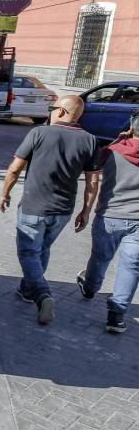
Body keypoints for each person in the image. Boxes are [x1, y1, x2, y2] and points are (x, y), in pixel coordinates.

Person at [0, 95, 100, 325]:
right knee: (42, 248)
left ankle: (42, 295)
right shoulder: (91, 140)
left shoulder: (38, 133)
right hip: (63, 209)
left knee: (28, 252)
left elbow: (15, 169)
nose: (51, 112)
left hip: (34, 205)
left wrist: (5, 193)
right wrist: (85, 211)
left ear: (62, 112)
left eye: (53, 108)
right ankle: (27, 289)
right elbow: (93, 183)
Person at [78, 120, 139, 333]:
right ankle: (116, 316)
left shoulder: (113, 151)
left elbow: (95, 163)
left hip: (109, 216)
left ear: (131, 129)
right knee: (131, 267)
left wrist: (118, 140)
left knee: (100, 257)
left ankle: (90, 289)